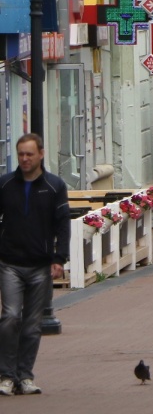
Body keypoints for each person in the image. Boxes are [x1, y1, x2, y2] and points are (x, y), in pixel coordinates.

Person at [0, 134, 69, 396]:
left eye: (29, 154)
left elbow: (62, 224)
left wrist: (59, 257)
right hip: (10, 264)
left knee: (31, 324)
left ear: (41, 154)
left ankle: (24, 376)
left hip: (40, 265)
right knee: (10, 317)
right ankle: (6, 375)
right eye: (21, 154)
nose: (25, 159)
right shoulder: (5, 184)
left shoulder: (54, 186)